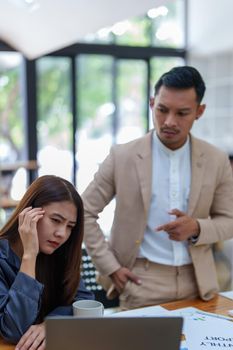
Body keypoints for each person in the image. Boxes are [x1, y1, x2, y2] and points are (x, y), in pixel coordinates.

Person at [82, 65, 233, 310]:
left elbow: (229, 220)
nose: (169, 122)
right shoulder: (123, 156)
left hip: (200, 283)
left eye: (182, 113)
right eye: (162, 110)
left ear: (199, 111)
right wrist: (110, 267)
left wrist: (196, 227)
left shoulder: (216, 160)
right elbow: (84, 212)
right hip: (141, 280)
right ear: (152, 103)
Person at [0, 175, 94, 349]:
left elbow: (83, 300)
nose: (62, 234)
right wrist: (30, 255)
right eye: (56, 220)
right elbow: (13, 330)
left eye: (70, 226)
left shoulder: (59, 253)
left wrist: (51, 325)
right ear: (28, 214)